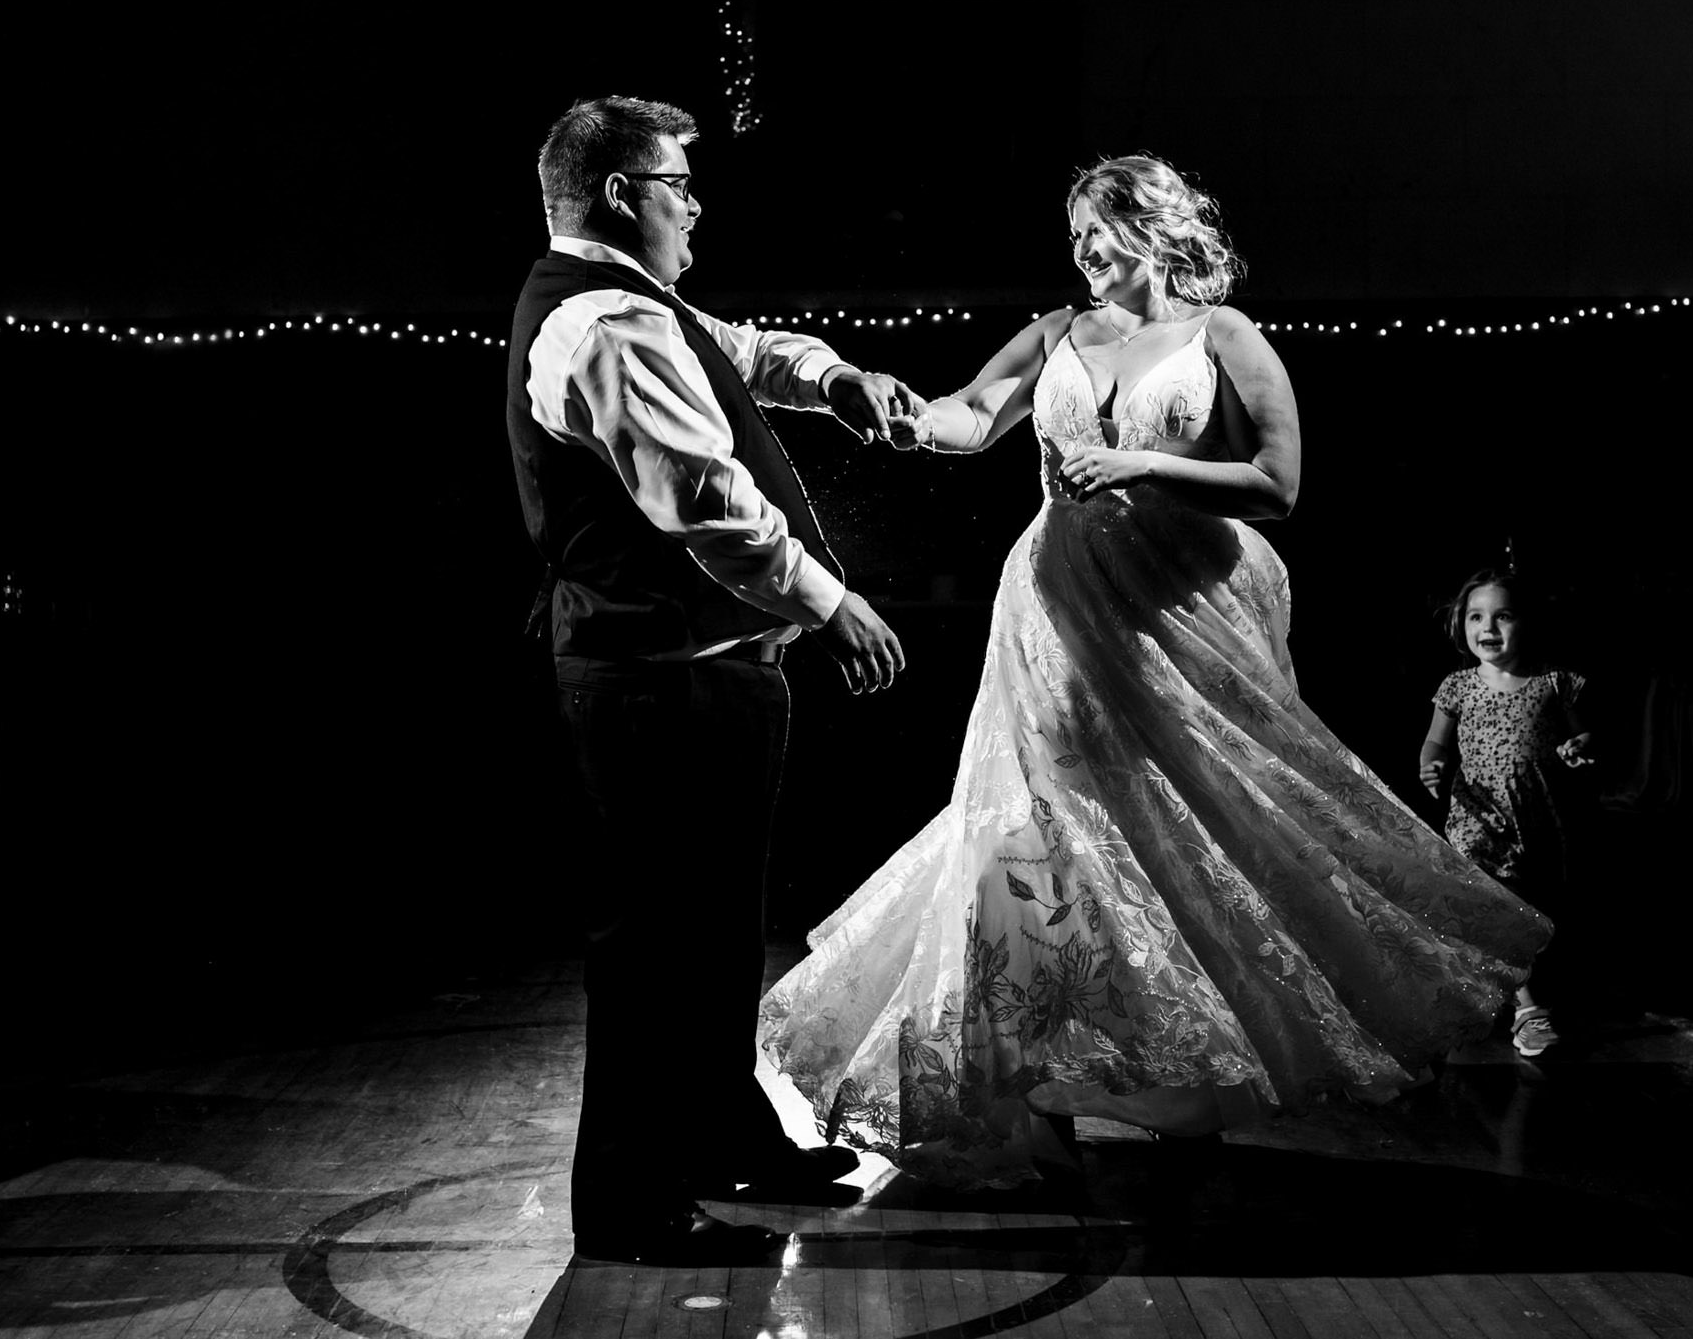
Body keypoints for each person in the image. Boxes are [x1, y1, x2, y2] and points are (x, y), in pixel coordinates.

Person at [757, 155, 1551, 1189]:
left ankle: (1183, 1071)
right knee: (1040, 832)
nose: (1084, 250)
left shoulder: (1225, 337)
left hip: (1180, 606)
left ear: (1157, 227)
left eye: (1100, 228)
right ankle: (1032, 1078)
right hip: (1056, 608)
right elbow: (966, 416)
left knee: (1182, 828)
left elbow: (1276, 482)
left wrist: (1141, 464)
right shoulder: (1053, 332)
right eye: (1075, 234)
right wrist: (906, 414)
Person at [506, 95, 922, 1263]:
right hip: (650, 679)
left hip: (707, 672)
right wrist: (833, 603)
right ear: (625, 195)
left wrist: (834, 376)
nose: (695, 206)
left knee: (715, 933)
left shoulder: (647, 307)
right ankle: (632, 1206)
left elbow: (745, 354)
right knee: (653, 946)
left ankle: (724, 1135)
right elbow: (701, 502)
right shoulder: (603, 325)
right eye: (680, 185)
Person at [1418, 567, 1594, 1057]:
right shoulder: (1457, 686)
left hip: (1539, 818)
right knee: (1498, 908)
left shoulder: (1554, 682)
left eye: (1504, 616)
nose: (1488, 628)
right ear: (1462, 624)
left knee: (1539, 914)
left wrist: (1582, 745)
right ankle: (1527, 1009)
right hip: (1478, 818)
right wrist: (1430, 765)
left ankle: (1507, 991)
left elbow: (1587, 734)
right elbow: (1436, 742)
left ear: (1528, 623)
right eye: (1476, 616)